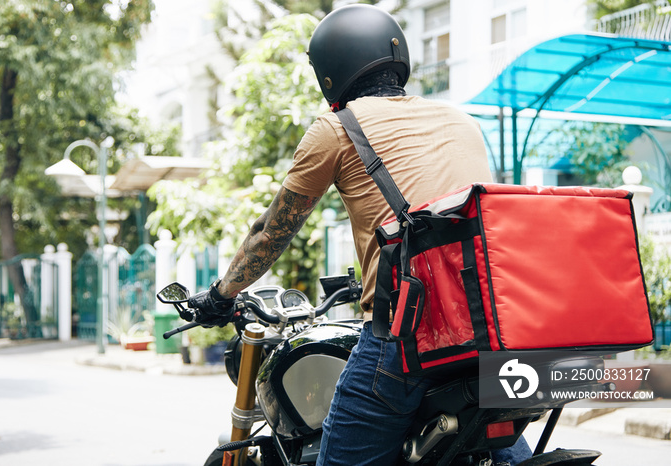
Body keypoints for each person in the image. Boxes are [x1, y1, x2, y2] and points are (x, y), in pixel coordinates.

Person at [187, 4, 532, 465]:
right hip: (487, 328)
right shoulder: (459, 121)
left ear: (329, 72)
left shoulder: (335, 129)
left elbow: (271, 232)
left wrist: (221, 294)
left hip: (406, 334)